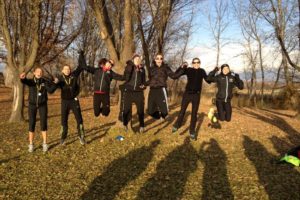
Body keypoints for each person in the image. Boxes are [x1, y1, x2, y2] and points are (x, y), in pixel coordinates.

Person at [172, 57, 211, 140]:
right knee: (182, 111)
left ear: (200, 63)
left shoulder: (202, 71)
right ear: (192, 63)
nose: (196, 64)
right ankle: (177, 125)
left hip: (196, 95)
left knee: (194, 114)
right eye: (194, 62)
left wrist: (214, 72)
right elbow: (176, 74)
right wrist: (182, 66)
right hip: (187, 94)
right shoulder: (189, 69)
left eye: (198, 62)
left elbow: (208, 80)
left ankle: (192, 131)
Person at [20, 67, 56, 152]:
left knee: (43, 123)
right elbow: (25, 81)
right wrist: (22, 78)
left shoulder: (45, 81)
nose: (39, 73)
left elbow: (50, 91)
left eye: (40, 72)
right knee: (31, 123)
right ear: (34, 73)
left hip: (43, 105)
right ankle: (31, 145)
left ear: (42, 73)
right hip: (32, 105)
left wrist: (55, 83)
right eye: (37, 72)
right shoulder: (31, 81)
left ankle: (45, 143)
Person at [53, 54, 86, 145]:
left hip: (74, 100)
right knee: (64, 120)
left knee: (79, 119)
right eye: (65, 69)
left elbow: (80, 67)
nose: (67, 70)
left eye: (68, 69)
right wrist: (55, 83)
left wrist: (81, 55)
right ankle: (63, 138)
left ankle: (81, 136)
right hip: (64, 102)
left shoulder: (74, 75)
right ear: (62, 71)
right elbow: (52, 89)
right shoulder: (60, 79)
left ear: (70, 70)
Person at [146, 53, 184, 120]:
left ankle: (164, 115)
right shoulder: (151, 68)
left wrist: (181, 68)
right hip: (152, 90)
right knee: (150, 111)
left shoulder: (165, 68)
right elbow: (150, 80)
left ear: (162, 60)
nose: (159, 60)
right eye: (157, 58)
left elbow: (174, 76)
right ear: (155, 59)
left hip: (161, 90)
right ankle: (160, 117)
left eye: (161, 58)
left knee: (165, 112)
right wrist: (144, 84)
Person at [121, 54, 146, 133]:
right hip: (129, 91)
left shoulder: (142, 69)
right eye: (136, 59)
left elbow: (143, 80)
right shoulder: (129, 67)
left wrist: (143, 86)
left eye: (139, 59)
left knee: (140, 110)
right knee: (126, 110)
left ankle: (142, 126)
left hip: (138, 92)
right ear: (133, 60)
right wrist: (132, 65)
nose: (137, 60)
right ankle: (125, 124)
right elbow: (126, 75)